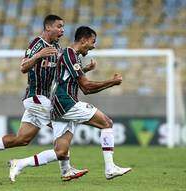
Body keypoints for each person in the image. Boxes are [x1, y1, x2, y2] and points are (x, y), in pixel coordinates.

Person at [0, 15, 94, 181]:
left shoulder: (57, 46)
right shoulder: (37, 44)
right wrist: (38, 56)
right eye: (59, 26)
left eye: (63, 27)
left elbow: (63, 73)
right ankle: (65, 170)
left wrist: (84, 69)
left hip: (44, 99)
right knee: (64, 121)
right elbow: (23, 67)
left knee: (22, 139)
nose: (62, 30)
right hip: (36, 97)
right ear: (48, 27)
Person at [8, 26, 132, 182]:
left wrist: (86, 70)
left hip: (59, 106)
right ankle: (110, 168)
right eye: (93, 42)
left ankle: (19, 163)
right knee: (107, 123)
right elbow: (86, 88)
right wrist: (111, 82)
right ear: (83, 40)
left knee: (60, 151)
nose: (94, 45)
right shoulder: (69, 53)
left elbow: (67, 79)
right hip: (66, 103)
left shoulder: (72, 56)